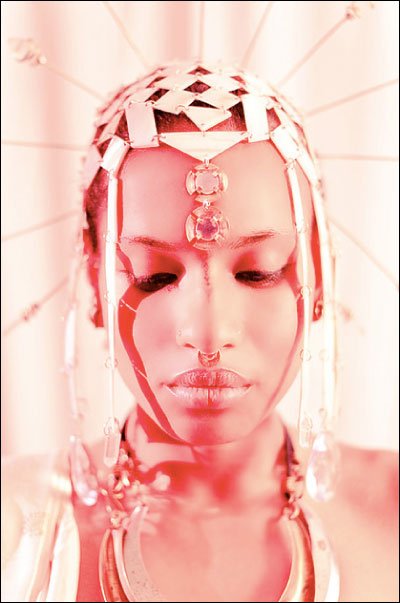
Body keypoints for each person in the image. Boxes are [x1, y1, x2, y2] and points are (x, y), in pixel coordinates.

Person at [2, 62, 398, 603]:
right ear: (94, 284)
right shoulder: (15, 527)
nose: (209, 335)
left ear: (318, 278)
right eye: (153, 277)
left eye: (258, 272)